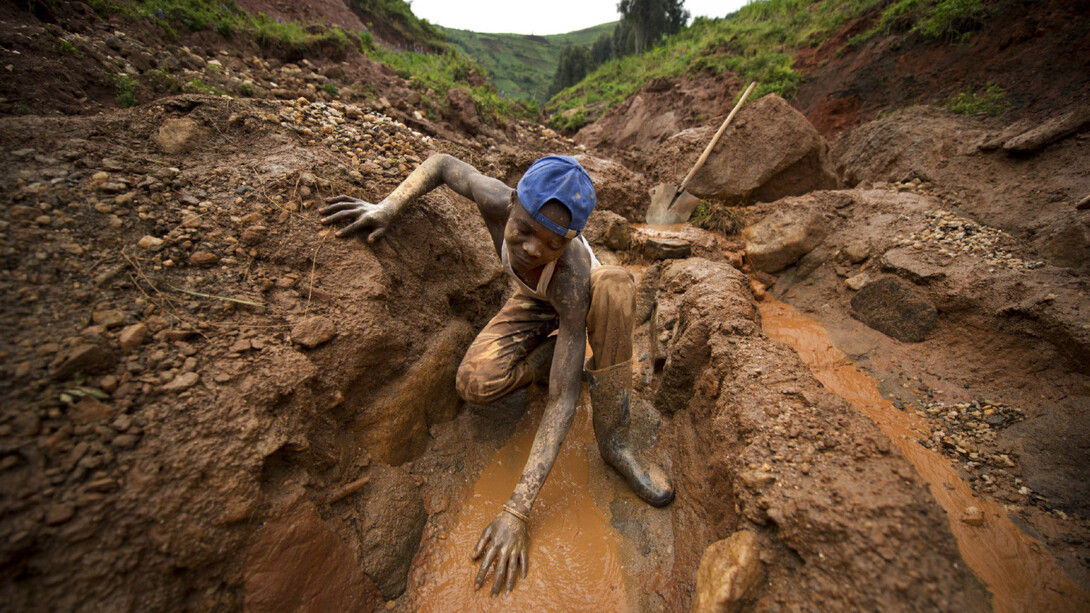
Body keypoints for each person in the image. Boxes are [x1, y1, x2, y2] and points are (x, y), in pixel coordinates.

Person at [320, 153, 674, 595]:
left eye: (551, 244)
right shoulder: (493, 198)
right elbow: (443, 165)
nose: (532, 249)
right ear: (511, 205)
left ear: (570, 242)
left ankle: (617, 441)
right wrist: (387, 207)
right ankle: (547, 360)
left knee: (615, 285)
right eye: (524, 231)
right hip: (532, 302)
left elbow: (562, 400)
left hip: (578, 306)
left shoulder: (572, 275)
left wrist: (517, 510)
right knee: (474, 383)